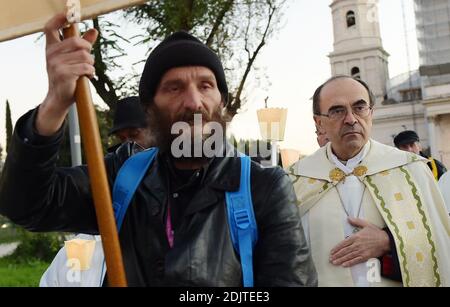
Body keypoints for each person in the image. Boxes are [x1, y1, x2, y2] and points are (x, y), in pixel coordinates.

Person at [0, 14, 317, 287]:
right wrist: (55, 104)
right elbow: (26, 205)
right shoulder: (122, 176)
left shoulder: (262, 187)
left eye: (206, 85)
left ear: (222, 101)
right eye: (174, 87)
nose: (194, 102)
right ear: (149, 107)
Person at [288, 75, 450, 287]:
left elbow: (440, 244)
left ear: (371, 113)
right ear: (319, 122)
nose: (351, 119)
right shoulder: (295, 179)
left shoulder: (412, 170)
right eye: (337, 111)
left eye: (359, 108)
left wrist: (389, 242)